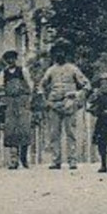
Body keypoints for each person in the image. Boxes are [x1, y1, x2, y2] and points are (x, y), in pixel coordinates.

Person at [39, 42, 89, 170]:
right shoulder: (50, 70)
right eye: (57, 52)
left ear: (66, 54)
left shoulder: (73, 69)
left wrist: (77, 94)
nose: (59, 54)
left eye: (62, 52)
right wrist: (44, 99)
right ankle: (56, 161)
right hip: (54, 104)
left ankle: (72, 160)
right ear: (54, 55)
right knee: (54, 133)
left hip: (69, 103)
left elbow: (87, 85)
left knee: (71, 133)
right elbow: (41, 85)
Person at [0, 49, 34, 170]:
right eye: (8, 59)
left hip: (22, 102)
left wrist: (28, 99)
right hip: (10, 103)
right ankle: (13, 161)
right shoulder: (4, 73)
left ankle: (24, 158)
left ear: (15, 59)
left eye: (12, 58)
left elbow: (30, 85)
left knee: (24, 129)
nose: (10, 61)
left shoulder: (23, 70)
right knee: (11, 131)